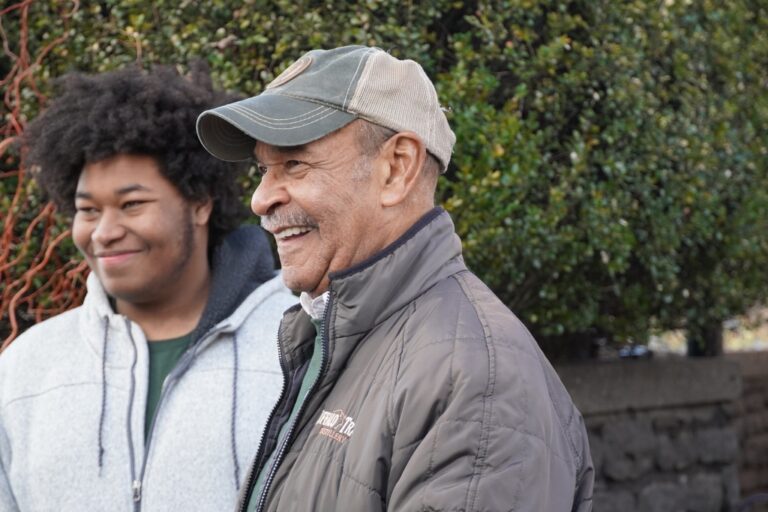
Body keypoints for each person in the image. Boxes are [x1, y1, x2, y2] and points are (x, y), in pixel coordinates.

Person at [197, 45, 594, 511]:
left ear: (397, 167)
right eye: (263, 170)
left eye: (295, 164)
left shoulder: (477, 384)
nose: (260, 200)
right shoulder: (343, 336)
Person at [0, 64, 297, 511]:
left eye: (132, 204)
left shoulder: (300, 345)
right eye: (88, 210)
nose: (104, 232)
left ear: (199, 202)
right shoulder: (27, 369)